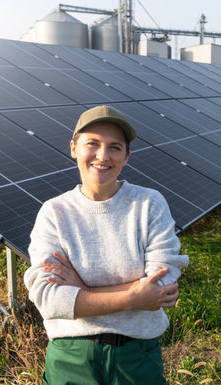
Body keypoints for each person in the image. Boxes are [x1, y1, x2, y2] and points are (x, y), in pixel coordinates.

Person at [24, 105, 189, 385]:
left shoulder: (149, 204)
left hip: (136, 357)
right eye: (92, 144)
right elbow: (49, 300)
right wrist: (135, 297)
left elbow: (161, 287)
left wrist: (83, 291)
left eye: (114, 147)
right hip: (70, 359)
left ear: (126, 156)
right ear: (74, 148)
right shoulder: (54, 213)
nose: (102, 156)